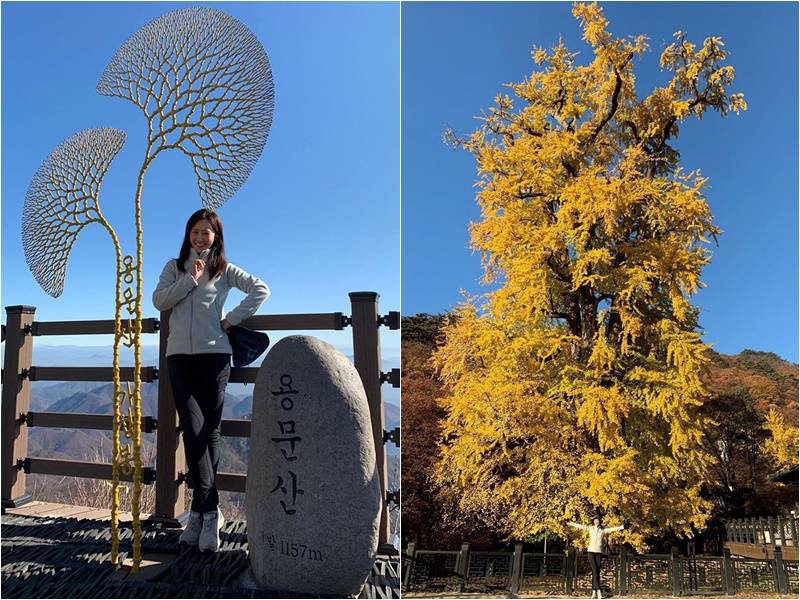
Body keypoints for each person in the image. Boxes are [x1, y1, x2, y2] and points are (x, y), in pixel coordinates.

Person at [153, 208, 269, 552]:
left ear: (216, 236)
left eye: (207, 232)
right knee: (191, 428)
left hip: (215, 358)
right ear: (187, 234)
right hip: (178, 358)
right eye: (195, 232)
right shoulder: (173, 267)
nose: (200, 238)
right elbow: (160, 301)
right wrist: (188, 278)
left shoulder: (224, 270)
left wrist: (231, 319)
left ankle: (200, 513)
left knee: (210, 433)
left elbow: (261, 289)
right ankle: (209, 510)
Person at [567, 515, 624, 599]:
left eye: (598, 520)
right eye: (595, 520)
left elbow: (612, 529)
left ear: (599, 522)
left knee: (596, 571)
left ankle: (594, 591)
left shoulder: (602, 531)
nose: (596, 521)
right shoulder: (591, 529)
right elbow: (582, 526)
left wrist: (622, 527)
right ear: (593, 521)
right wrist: (572, 524)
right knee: (595, 570)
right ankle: (598, 590)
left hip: (599, 552)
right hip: (591, 552)